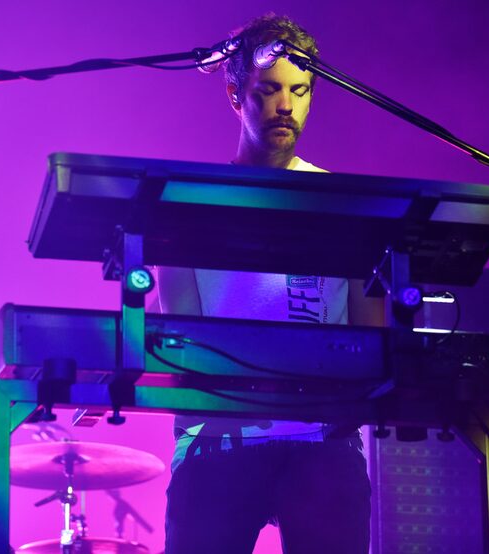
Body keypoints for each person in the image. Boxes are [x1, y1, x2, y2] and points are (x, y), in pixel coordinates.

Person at [158, 14, 383, 554]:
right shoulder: (193, 204)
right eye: (270, 90)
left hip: (322, 440)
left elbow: (371, 335)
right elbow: (180, 343)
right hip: (216, 442)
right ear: (236, 95)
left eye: (300, 91)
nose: (286, 105)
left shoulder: (343, 202)